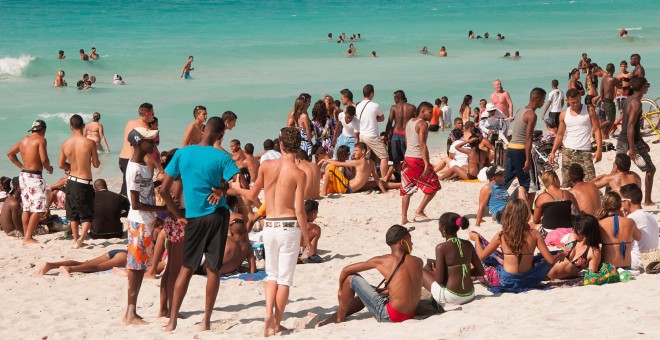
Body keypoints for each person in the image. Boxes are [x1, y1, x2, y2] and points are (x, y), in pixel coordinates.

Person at [159, 117, 242, 331]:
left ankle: (172, 320)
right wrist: (222, 190)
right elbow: (240, 182)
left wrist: (177, 215)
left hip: (193, 217)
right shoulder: (222, 156)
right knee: (213, 269)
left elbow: (163, 190)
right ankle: (205, 320)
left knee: (186, 268)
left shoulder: (182, 153)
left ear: (204, 129)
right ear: (222, 135)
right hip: (217, 215)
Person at [230, 127, 311, 337]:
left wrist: (238, 189)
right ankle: (276, 322)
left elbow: (253, 194)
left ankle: (267, 314)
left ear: (281, 145)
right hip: (288, 227)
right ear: (299, 147)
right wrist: (307, 238)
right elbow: (300, 211)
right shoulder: (299, 173)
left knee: (272, 275)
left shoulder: (266, 165)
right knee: (284, 279)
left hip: (270, 226)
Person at [317, 225, 422, 325]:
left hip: (389, 316)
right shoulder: (418, 261)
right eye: (410, 240)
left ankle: (339, 317)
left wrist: (340, 289)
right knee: (370, 291)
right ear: (403, 242)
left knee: (351, 279)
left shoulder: (383, 261)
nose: (412, 244)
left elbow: (346, 270)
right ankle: (337, 315)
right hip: (410, 315)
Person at [470, 199, 564, 293]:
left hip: (506, 281)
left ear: (507, 215)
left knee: (482, 258)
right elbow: (550, 260)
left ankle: (470, 274)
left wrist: (477, 239)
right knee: (545, 256)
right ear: (525, 215)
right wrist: (559, 256)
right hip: (528, 280)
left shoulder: (502, 235)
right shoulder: (535, 234)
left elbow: (481, 256)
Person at [123, 127, 166, 325]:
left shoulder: (141, 165)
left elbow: (145, 190)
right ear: (140, 144)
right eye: (150, 142)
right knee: (136, 267)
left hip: (144, 221)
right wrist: (161, 208)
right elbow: (136, 203)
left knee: (139, 267)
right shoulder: (135, 169)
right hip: (139, 222)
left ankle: (132, 311)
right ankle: (130, 312)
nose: (154, 144)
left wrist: (159, 183)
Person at [6, 120, 54, 244]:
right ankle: (28, 237)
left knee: (27, 207)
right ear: (43, 130)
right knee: (39, 208)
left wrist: (21, 166)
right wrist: (49, 169)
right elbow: (44, 159)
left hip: (23, 175)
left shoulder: (23, 140)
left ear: (32, 129)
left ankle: (27, 236)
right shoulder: (41, 140)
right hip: (34, 176)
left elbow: (10, 154)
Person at [422, 213, 484, 306]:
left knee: (421, 270)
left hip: (452, 297)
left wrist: (438, 272)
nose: (439, 229)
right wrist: (463, 272)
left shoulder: (441, 248)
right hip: (470, 294)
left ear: (443, 229)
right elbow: (481, 272)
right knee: (432, 264)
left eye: (439, 226)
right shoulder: (468, 244)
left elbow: (439, 280)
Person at [59, 114, 101, 248]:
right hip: (84, 182)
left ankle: (75, 239)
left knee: (73, 213)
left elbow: (61, 165)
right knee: (87, 212)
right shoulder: (89, 143)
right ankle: (81, 238)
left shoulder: (65, 144)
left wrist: (70, 167)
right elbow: (95, 164)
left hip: (71, 180)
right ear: (83, 126)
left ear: (71, 127)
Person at [549, 88, 602, 187]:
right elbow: (560, 134)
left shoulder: (589, 110)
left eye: (577, 101)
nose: (576, 104)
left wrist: (599, 150)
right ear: (567, 101)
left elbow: (597, 130)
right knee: (567, 184)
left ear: (580, 98)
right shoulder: (564, 114)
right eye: (573, 102)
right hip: (568, 152)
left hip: (585, 152)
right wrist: (553, 152)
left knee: (590, 183)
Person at [504, 88, 545, 205]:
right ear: (537, 99)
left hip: (511, 148)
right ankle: (528, 212)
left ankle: (495, 207)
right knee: (531, 184)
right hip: (521, 151)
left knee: (506, 180)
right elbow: (528, 138)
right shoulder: (532, 115)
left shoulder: (520, 110)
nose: (543, 102)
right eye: (543, 99)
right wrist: (527, 159)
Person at [617, 77, 655, 205]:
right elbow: (631, 125)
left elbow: (629, 124)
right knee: (650, 170)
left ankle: (610, 198)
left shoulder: (628, 99)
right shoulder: (636, 103)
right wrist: (632, 147)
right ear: (643, 87)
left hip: (622, 139)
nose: (648, 87)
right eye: (647, 85)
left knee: (618, 170)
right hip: (631, 141)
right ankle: (648, 201)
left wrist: (642, 140)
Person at [400, 102, 440, 224]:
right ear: (422, 112)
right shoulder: (423, 124)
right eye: (430, 112)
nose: (432, 115)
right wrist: (427, 164)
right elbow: (422, 144)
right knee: (434, 186)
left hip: (408, 158)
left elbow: (407, 141)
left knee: (407, 189)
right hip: (418, 159)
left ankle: (403, 218)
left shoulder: (410, 122)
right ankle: (420, 209)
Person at [320, 143, 395, 195]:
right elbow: (377, 179)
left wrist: (324, 160)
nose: (354, 152)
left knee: (329, 167)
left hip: (346, 187)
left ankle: (323, 193)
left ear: (363, 151)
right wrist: (384, 191)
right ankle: (401, 185)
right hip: (352, 187)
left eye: (356, 150)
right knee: (321, 188)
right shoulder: (371, 162)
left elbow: (337, 164)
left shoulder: (358, 162)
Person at [547, 214, 601, 279]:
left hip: (548, 278)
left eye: (575, 229)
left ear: (583, 231)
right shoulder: (572, 237)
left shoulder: (593, 252)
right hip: (543, 270)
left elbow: (591, 276)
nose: (573, 231)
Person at [533, 171, 579, 246]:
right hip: (567, 232)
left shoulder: (542, 197)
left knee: (532, 225)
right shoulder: (567, 193)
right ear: (555, 179)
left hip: (549, 232)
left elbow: (535, 220)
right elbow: (576, 211)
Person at [596, 191, 641, 268]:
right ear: (620, 205)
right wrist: (625, 218)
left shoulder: (600, 223)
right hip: (626, 266)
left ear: (603, 205)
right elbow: (639, 237)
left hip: (607, 268)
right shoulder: (629, 222)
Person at [620, 184, 658, 271]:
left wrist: (623, 219)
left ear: (627, 202)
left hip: (637, 262)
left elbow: (622, 241)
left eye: (621, 201)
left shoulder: (631, 218)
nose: (620, 204)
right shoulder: (651, 216)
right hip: (652, 259)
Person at [118, 103, 154, 196]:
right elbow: (147, 150)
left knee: (126, 185)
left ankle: (121, 206)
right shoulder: (144, 127)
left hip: (122, 158)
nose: (153, 115)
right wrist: (159, 167)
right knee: (132, 189)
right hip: (132, 161)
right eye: (152, 113)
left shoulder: (130, 122)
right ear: (146, 114)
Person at [356, 84, 389, 180]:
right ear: (372, 94)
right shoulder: (375, 105)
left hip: (362, 134)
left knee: (365, 158)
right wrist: (374, 119)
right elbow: (382, 118)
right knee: (384, 156)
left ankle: (362, 178)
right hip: (371, 135)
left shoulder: (358, 106)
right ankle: (384, 179)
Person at [386, 90, 415, 178]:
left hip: (395, 135)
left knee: (395, 160)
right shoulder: (412, 107)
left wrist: (387, 134)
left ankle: (402, 175)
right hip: (407, 135)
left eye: (394, 98)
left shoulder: (394, 107)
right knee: (408, 157)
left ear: (397, 98)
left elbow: (390, 122)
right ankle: (409, 174)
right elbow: (415, 122)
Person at [36, 249, 129, 277]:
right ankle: (69, 269)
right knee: (98, 267)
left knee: (82, 264)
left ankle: (50, 265)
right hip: (125, 255)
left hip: (118, 251)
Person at [592, 64, 619, 138]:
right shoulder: (611, 78)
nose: (597, 76)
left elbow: (602, 91)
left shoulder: (605, 78)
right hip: (607, 100)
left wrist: (600, 100)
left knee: (608, 119)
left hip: (605, 100)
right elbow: (618, 86)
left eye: (596, 74)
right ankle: (600, 132)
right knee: (608, 119)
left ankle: (604, 134)